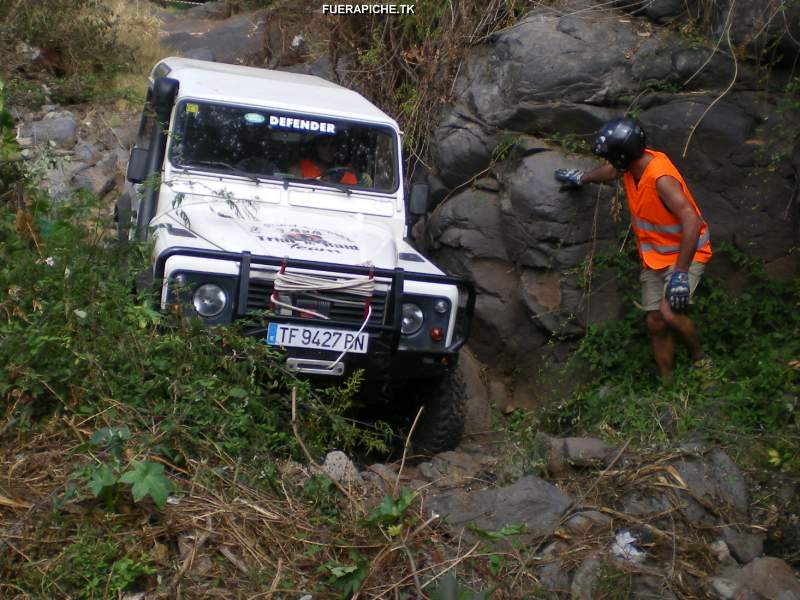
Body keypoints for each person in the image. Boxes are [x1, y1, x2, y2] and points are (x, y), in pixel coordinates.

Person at [554, 117, 712, 382]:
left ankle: (701, 360)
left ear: (622, 155)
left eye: (612, 156)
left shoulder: (660, 177)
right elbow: (610, 171)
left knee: (670, 313)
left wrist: (680, 274)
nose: (612, 163)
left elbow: (692, 221)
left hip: (687, 253)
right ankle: (668, 383)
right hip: (655, 257)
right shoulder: (631, 166)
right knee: (655, 322)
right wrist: (583, 178)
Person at [293, 135, 361, 185]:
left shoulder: (346, 171)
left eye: (332, 145)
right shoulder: (300, 168)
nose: (329, 150)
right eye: (324, 145)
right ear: (316, 147)